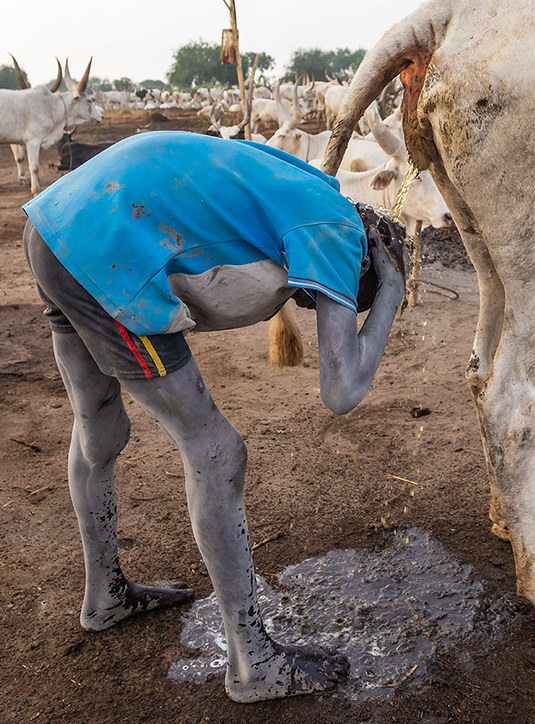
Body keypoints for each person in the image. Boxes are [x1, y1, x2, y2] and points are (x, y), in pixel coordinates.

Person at [21, 130, 406, 703]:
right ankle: (254, 663)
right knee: (217, 452)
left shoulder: (312, 190)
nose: (320, 304)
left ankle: (104, 597)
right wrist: (394, 292)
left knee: (100, 427)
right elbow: (342, 389)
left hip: (57, 225)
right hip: (111, 251)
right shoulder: (339, 233)